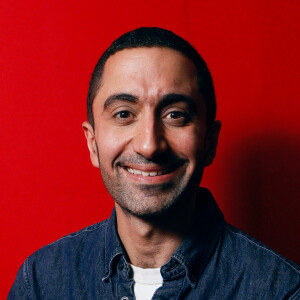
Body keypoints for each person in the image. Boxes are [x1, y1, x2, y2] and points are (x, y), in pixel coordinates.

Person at [9, 27, 299, 300]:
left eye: (175, 115)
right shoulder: (39, 283)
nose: (149, 145)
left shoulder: (281, 290)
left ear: (209, 141)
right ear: (93, 143)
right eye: (123, 114)